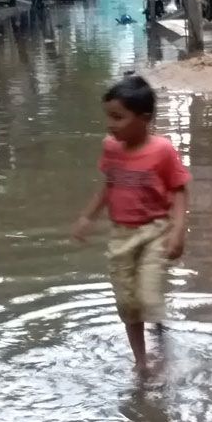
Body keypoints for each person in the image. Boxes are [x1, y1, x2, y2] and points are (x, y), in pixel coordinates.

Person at [72, 74, 191, 373]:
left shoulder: (162, 151)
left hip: (154, 231)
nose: (110, 124)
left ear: (144, 119)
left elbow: (178, 190)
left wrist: (177, 231)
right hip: (121, 234)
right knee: (127, 302)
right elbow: (108, 185)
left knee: (148, 295)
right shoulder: (111, 149)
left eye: (118, 117)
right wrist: (88, 216)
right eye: (108, 117)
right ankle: (141, 361)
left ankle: (159, 330)